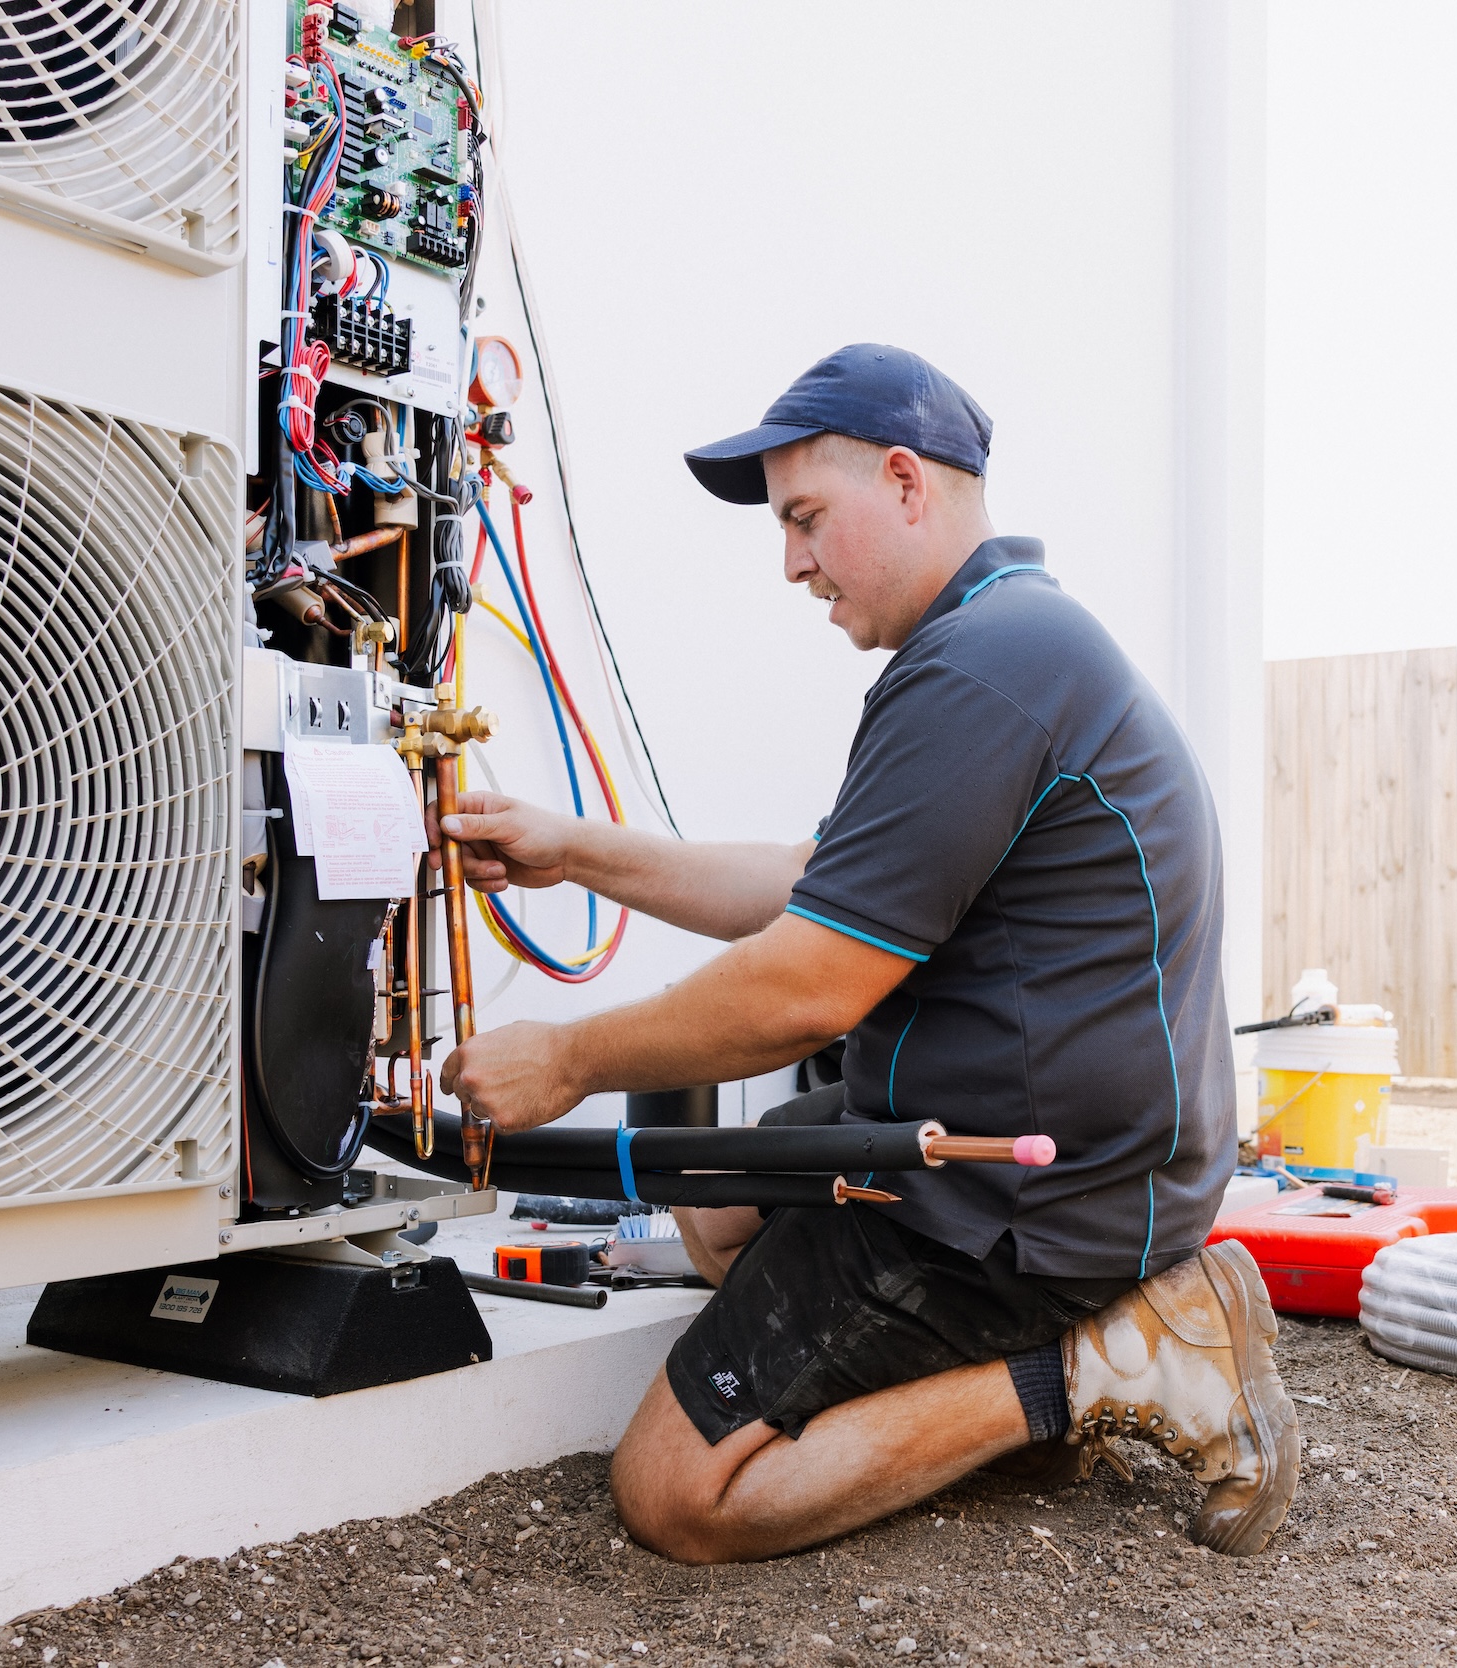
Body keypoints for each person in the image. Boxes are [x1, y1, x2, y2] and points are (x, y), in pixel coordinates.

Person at [437, 344, 1298, 1565]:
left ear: (904, 483)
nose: (790, 561)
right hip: (1069, 1143)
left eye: (804, 519)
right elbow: (810, 889)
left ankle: (1096, 1361)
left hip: (1025, 1193)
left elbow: (808, 987)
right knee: (717, 1201)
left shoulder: (980, 670)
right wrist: (574, 849)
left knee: (677, 1492)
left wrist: (568, 1057)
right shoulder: (1006, 642)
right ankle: (1017, 1369)